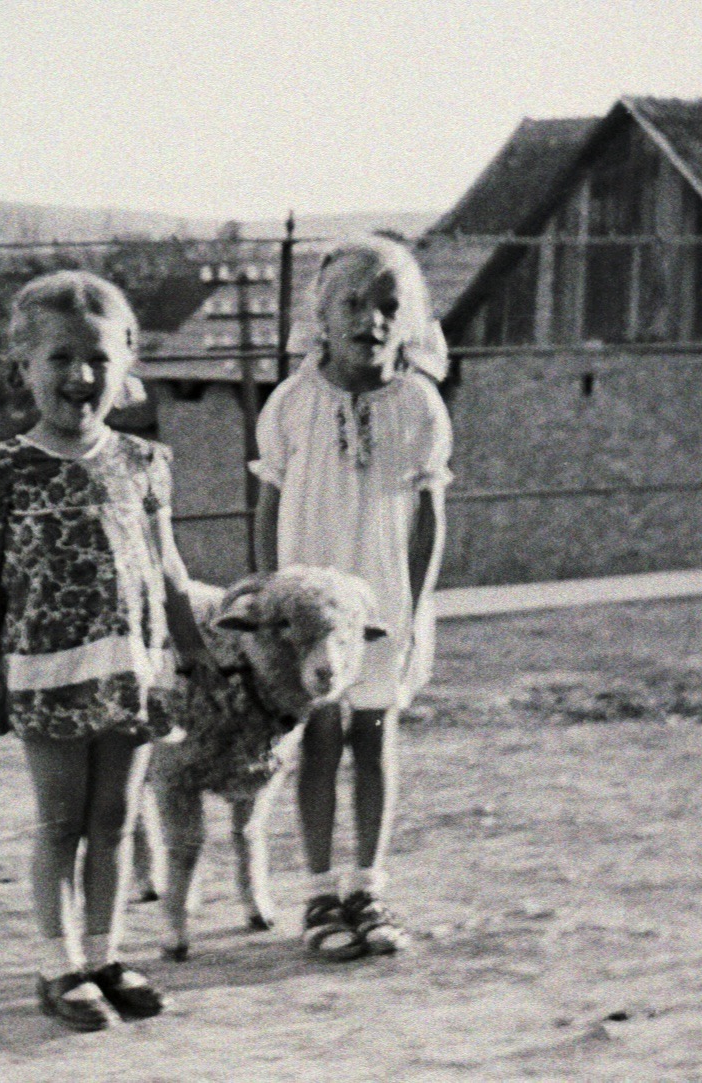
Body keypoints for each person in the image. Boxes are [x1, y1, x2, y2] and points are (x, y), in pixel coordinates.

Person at [0, 270, 218, 1030]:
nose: (80, 376)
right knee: (59, 822)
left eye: (98, 359)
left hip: (131, 667)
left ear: (126, 361)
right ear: (25, 365)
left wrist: (191, 644)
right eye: (60, 358)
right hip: (47, 671)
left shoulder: (143, 462)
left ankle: (105, 954)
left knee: (114, 817)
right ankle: (58, 964)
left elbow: (166, 564)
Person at [251, 236, 452, 960]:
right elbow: (268, 501)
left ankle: (367, 885)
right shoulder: (292, 403)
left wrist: (413, 604)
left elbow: (429, 513)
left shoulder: (420, 404)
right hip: (311, 617)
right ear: (323, 315)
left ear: (407, 322)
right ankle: (317, 893)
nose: (370, 321)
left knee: (373, 736)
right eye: (354, 304)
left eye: (387, 309)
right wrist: (274, 605)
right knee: (319, 741)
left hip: (383, 605)